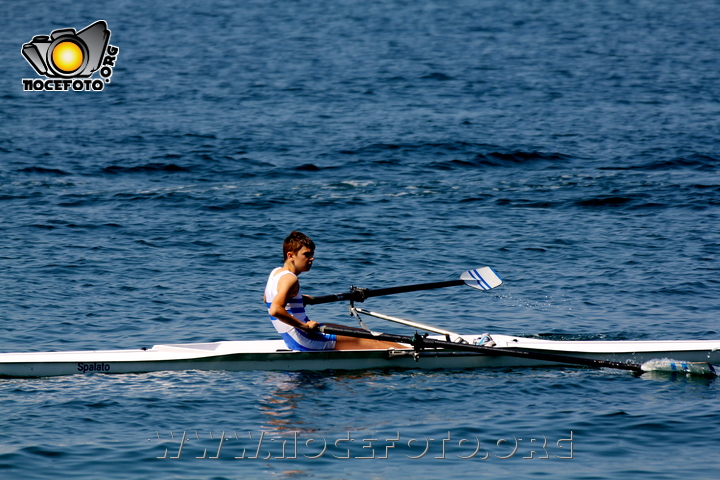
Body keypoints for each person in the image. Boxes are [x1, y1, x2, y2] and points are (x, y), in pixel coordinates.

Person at [264, 231, 403, 351]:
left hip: (294, 337)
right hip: (305, 338)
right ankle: (417, 354)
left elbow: (267, 299)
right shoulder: (290, 279)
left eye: (312, 254)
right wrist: (304, 326)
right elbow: (275, 310)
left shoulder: (275, 272)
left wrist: (297, 300)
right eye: (306, 254)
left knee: (364, 333)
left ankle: (409, 349)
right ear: (290, 256)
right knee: (372, 341)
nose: (312, 258)